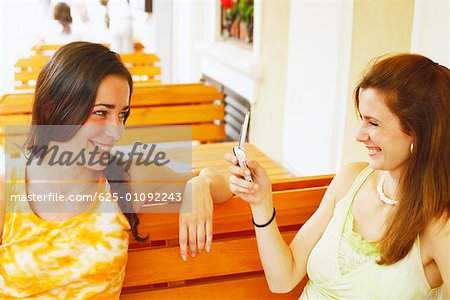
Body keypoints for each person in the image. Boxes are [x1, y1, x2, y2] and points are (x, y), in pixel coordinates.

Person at [0, 42, 233, 298]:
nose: (117, 131)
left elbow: (221, 184)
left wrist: (200, 185)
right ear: (52, 109)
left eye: (122, 114)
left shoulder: (127, 178)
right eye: (101, 113)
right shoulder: (7, 192)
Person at [225, 54, 449, 298]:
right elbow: (283, 278)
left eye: (373, 123)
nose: (360, 134)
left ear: (418, 131)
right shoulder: (350, 180)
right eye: (362, 119)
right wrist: (261, 203)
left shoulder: (439, 226)